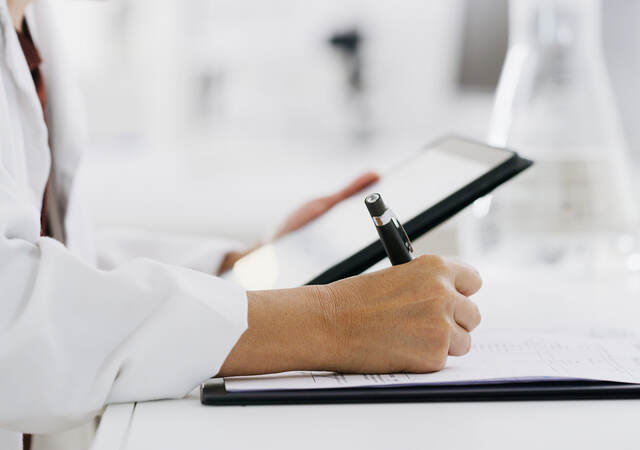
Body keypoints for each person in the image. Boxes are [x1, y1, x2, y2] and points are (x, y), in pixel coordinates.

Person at [0, 1, 482, 449]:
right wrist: (334, 321)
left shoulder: (31, 19)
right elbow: (15, 317)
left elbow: (59, 260)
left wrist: (250, 267)